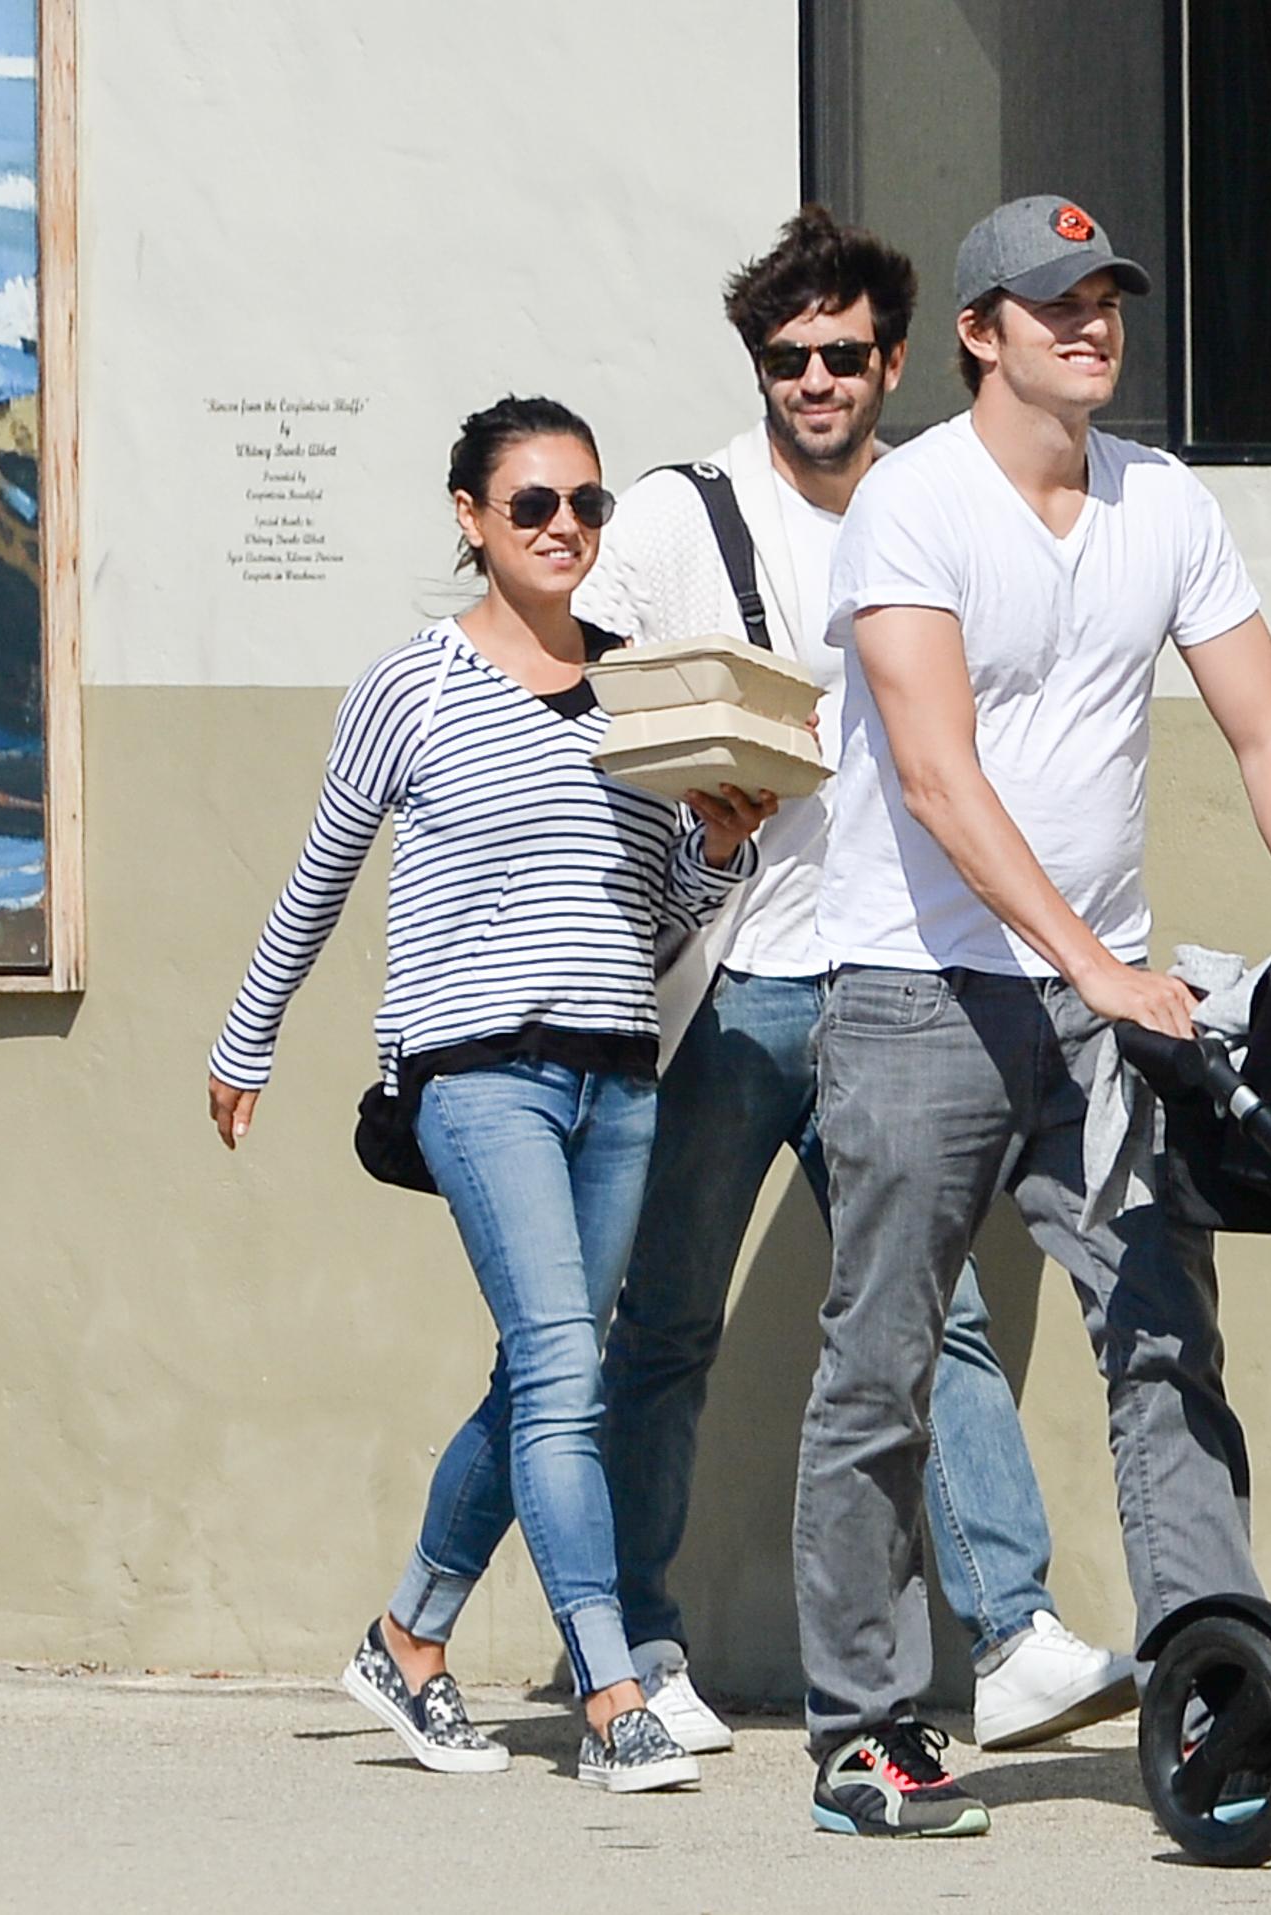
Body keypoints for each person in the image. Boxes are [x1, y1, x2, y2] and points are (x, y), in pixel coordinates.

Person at [792, 193, 1271, 1838]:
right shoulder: (911, 507)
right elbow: (932, 772)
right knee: (883, 1361)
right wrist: (1088, 964)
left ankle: (1221, 1703)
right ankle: (864, 1730)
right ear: (979, 334)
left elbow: (1265, 733)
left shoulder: (1163, 502)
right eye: (1052, 303)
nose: (1090, 325)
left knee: (1165, 1340)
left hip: (1104, 1002)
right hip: (920, 996)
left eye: (1106, 298)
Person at [572, 208, 1132, 1759]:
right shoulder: (686, 511)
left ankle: (1010, 1634)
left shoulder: (947, 502)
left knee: (929, 1320)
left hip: (893, 977)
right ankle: (638, 1641)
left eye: (837, 355)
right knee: (669, 1322)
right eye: (783, 358)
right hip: (737, 976)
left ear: (895, 360)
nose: (811, 380)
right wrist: (688, 794)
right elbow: (589, 707)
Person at [205, 396, 774, 1793]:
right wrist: (247, 1038)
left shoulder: (648, 686)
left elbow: (661, 907)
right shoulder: (417, 685)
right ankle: (609, 1693)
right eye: (532, 506)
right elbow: (321, 872)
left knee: (543, 1373)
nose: (565, 528)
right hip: (476, 1074)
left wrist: (719, 842)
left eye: (585, 504)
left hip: (617, 1077)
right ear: (472, 520)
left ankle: (406, 1641)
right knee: (570, 1378)